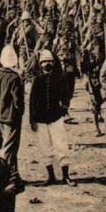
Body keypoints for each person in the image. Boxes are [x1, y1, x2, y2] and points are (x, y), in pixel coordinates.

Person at [29, 50, 76, 186]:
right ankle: (51, 177)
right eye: (44, 63)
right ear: (40, 64)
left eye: (49, 62)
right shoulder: (37, 81)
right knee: (45, 147)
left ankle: (66, 176)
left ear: (54, 63)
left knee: (61, 145)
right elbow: (32, 102)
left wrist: (63, 109)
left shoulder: (60, 79)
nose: (47, 65)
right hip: (41, 119)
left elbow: (66, 96)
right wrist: (32, 119)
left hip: (56, 117)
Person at [0, 45, 25, 178]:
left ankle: (11, 172)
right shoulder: (14, 78)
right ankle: (9, 174)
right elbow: (18, 101)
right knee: (10, 147)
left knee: (5, 143)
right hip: (12, 116)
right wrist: (20, 112)